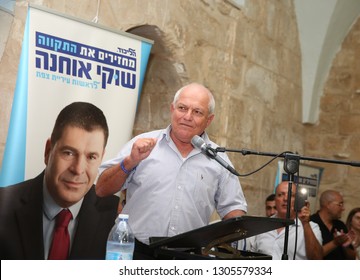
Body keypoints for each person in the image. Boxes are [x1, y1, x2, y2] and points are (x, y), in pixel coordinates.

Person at [96, 83, 247, 254]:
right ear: (172, 109)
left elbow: (234, 213)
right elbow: (101, 189)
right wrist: (130, 161)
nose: (187, 116)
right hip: (138, 253)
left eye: (197, 112)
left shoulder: (218, 159)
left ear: (209, 120)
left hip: (190, 257)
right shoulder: (142, 144)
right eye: (182, 108)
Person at [0, 102, 119, 260]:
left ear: (101, 158)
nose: (78, 169)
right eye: (69, 153)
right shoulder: (3, 206)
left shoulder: (116, 218)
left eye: (91, 157)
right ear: (48, 151)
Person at [251, 181, 323, 260]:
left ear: (297, 200)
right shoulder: (263, 225)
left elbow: (317, 258)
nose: (285, 199)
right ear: (275, 199)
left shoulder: (311, 227)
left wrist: (305, 223)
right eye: (280, 195)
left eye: (291, 195)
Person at [310, 189, 355, 260]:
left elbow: (352, 258)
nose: (343, 208)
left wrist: (345, 246)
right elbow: (313, 256)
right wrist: (335, 243)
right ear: (328, 205)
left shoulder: (340, 225)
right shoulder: (310, 223)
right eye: (340, 204)